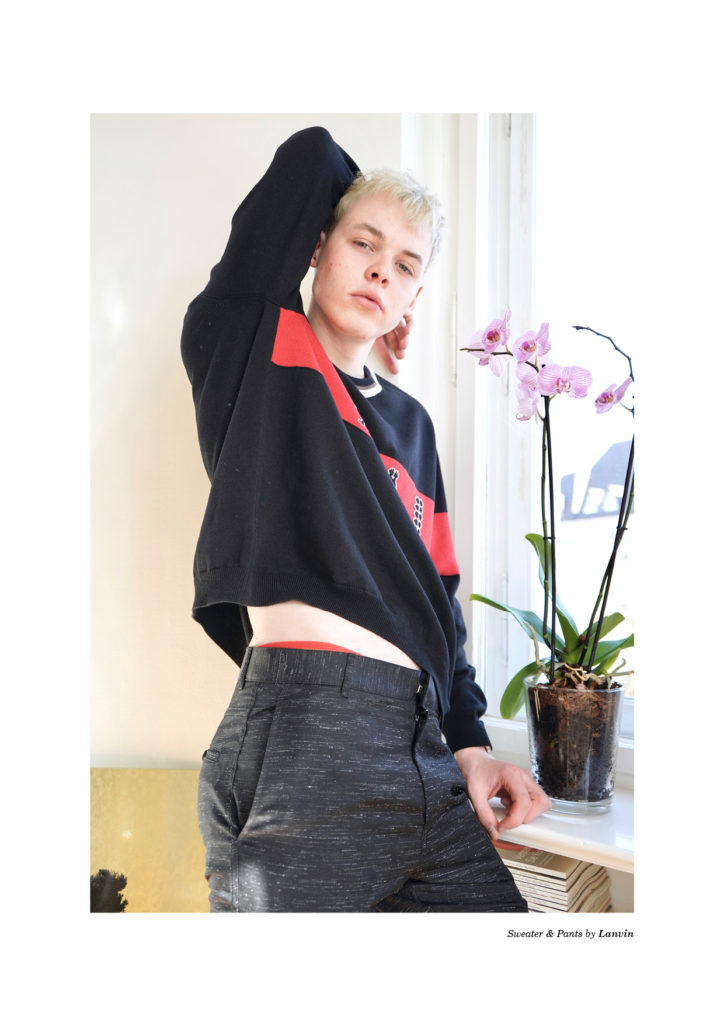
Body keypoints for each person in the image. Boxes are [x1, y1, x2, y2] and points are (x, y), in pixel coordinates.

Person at [181, 125, 551, 912]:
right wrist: (372, 217)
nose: (383, 269)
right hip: (309, 738)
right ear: (316, 247)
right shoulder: (255, 348)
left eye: (407, 266)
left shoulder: (413, 425)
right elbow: (310, 155)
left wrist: (472, 746)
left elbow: (438, 606)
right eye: (364, 244)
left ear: (417, 298)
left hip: (424, 753)